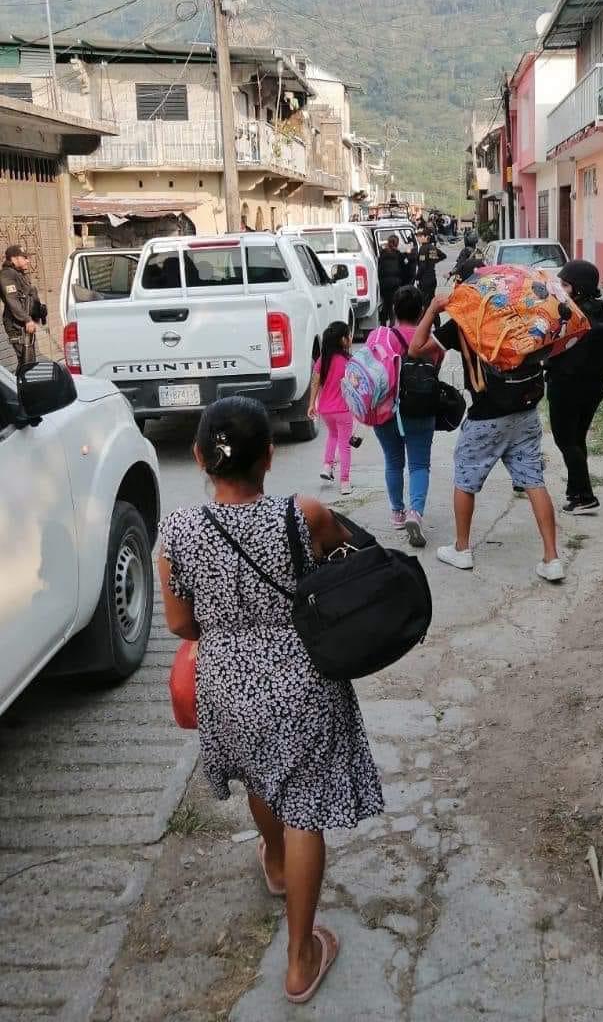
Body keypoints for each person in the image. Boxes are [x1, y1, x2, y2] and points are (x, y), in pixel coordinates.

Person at [159, 397, 383, 1006]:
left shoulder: (177, 530)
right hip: (302, 678)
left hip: (226, 682)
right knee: (304, 802)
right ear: (270, 456)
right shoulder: (302, 514)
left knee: (263, 777)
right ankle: (300, 957)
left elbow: (181, 624)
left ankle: (278, 866)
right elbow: (349, 556)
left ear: (200, 457)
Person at [410, 290, 564, 583]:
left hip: (487, 417)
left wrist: (432, 309)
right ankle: (551, 557)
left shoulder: (464, 322)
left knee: (465, 480)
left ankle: (462, 549)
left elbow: (416, 349)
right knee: (533, 480)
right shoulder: (523, 313)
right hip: (527, 412)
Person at [373, 285, 444, 548]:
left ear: (394, 310)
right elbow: (435, 368)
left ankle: (397, 512)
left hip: (385, 409)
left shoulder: (380, 337)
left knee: (393, 462)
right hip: (419, 408)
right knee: (419, 465)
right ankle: (416, 512)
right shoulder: (432, 341)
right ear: (422, 311)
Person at [546, 260, 603, 515]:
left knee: (565, 440)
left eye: (565, 284)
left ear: (578, 288)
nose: (561, 288)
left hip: (567, 387)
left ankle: (585, 495)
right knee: (576, 439)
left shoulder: (575, 318)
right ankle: (576, 493)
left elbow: (557, 350)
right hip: (594, 388)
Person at [308, 320, 358, 497]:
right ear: (343, 340)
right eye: (348, 335)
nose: (351, 338)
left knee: (332, 436)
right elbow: (356, 384)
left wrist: (311, 404)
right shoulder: (349, 361)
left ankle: (327, 466)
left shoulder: (323, 360)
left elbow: (315, 381)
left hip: (325, 410)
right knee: (345, 446)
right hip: (343, 411)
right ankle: (345, 482)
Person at [1, 244, 43, 370]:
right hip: (16, 325)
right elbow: (12, 300)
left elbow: (27, 297)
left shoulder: (19, 274)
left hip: (23, 324)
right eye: (24, 257)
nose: (28, 260)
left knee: (29, 361)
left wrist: (39, 311)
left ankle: (25, 387)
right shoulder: (6, 275)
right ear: (13, 259)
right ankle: (19, 388)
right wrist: (27, 319)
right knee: (26, 362)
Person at [377, 234, 411, 325]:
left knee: (385, 303)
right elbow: (405, 268)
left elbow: (379, 268)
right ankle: (392, 323)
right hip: (395, 283)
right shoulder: (399, 254)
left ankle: (383, 323)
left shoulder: (382, 253)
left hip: (384, 283)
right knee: (393, 303)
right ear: (397, 243)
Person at [415, 230, 447, 303]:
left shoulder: (423, 249)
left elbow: (422, 267)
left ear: (427, 237)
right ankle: (434, 314)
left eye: (421, 236)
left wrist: (417, 277)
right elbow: (443, 256)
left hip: (425, 280)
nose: (418, 238)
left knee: (425, 302)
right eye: (418, 236)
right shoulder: (432, 247)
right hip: (432, 278)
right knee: (431, 301)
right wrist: (432, 261)